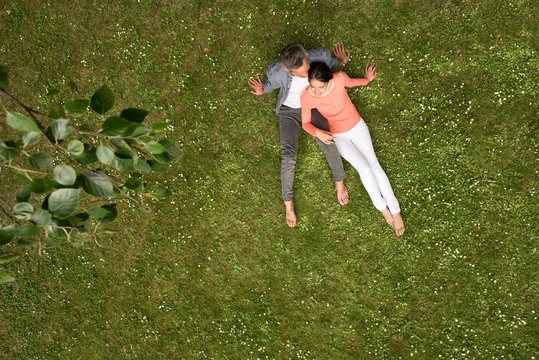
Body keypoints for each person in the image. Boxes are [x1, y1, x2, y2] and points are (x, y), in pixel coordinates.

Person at [248, 43, 351, 227]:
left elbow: (329, 65)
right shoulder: (277, 73)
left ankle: (339, 182)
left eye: (307, 69)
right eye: (302, 74)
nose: (307, 75)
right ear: (288, 70)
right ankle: (288, 205)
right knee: (289, 156)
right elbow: (270, 86)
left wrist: (340, 61)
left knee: (327, 140)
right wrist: (263, 90)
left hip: (312, 106)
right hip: (290, 111)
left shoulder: (317, 56)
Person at [300, 62, 405, 236]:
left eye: (321, 86)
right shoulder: (307, 96)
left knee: (374, 166)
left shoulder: (340, 78)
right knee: (363, 169)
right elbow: (305, 123)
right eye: (312, 86)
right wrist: (318, 132)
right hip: (338, 136)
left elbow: (355, 82)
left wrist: (367, 80)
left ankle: (395, 211)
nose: (316, 91)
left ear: (329, 80)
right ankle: (382, 208)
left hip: (357, 128)